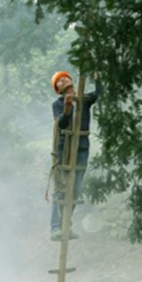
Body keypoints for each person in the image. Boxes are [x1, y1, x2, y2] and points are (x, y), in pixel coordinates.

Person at [49, 70, 101, 240]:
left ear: (71, 80)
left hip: (82, 146)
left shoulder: (84, 100)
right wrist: (67, 107)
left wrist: (97, 78)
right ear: (57, 89)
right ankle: (56, 227)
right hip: (64, 147)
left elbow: (99, 93)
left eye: (65, 78)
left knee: (76, 189)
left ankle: (66, 224)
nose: (63, 80)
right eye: (59, 81)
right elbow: (61, 123)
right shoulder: (57, 103)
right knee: (61, 188)